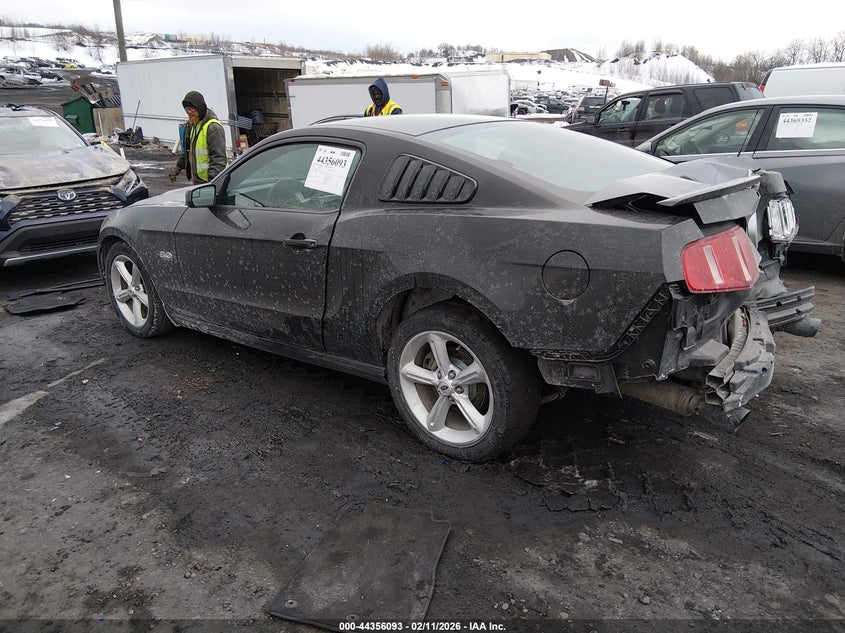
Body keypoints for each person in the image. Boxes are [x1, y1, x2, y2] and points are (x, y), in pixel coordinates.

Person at [168, 91, 228, 184]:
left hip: (211, 181)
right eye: (187, 109)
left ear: (200, 108)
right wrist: (177, 168)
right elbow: (188, 152)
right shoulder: (192, 125)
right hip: (198, 181)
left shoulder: (213, 128)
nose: (189, 112)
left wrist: (212, 184)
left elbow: (219, 161)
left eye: (192, 109)